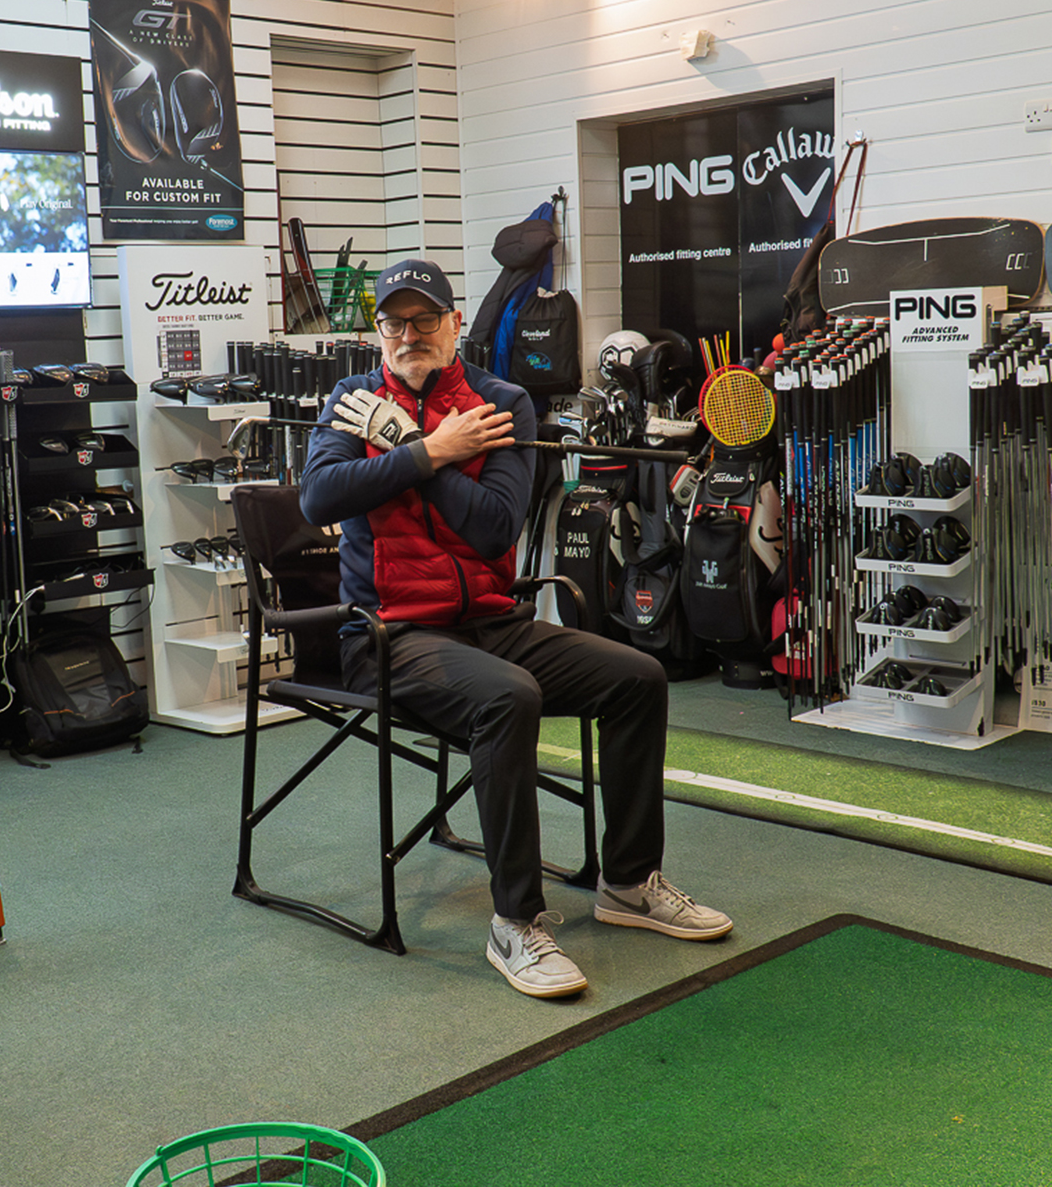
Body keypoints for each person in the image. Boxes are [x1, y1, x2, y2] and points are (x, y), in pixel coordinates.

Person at [299, 257, 732, 999]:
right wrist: (433, 449)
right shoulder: (350, 398)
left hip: (491, 620)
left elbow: (495, 525)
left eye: (424, 320)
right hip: (388, 637)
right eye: (394, 323)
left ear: (453, 325)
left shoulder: (501, 404)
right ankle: (515, 922)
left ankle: (628, 882)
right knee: (509, 697)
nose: (409, 335)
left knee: (638, 678)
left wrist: (413, 450)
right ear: (378, 332)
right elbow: (319, 497)